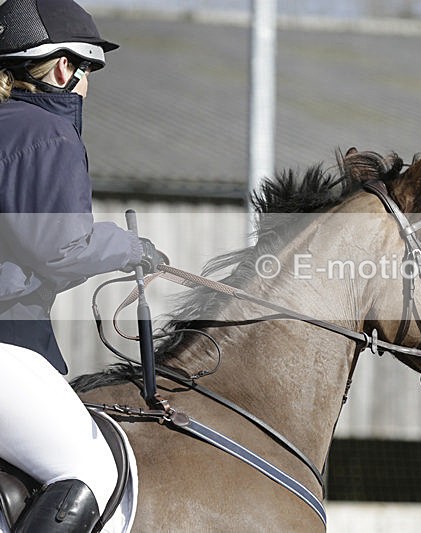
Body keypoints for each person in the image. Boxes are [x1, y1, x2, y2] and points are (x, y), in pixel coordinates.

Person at [0, 0, 166, 531]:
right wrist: (131, 248)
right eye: (89, 69)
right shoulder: (41, 133)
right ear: (65, 67)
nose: (88, 83)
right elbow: (61, 248)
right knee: (93, 473)